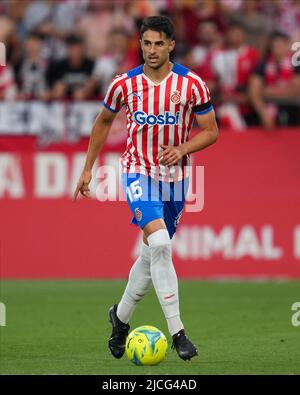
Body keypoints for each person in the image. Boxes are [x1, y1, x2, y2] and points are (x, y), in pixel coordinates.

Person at [74, 16, 219, 361]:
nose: (151, 50)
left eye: (158, 43)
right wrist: (87, 169)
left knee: (151, 253)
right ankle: (178, 333)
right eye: (146, 43)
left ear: (171, 45)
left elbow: (211, 130)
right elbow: (103, 123)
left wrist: (183, 149)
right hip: (137, 172)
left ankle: (120, 318)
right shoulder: (123, 84)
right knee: (161, 242)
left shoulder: (192, 85)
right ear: (140, 44)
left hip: (177, 180)